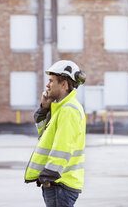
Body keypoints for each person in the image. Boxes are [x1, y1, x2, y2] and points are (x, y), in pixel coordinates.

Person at [25, 60, 86, 207]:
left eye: (51, 81)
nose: (47, 85)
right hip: (58, 184)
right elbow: (45, 138)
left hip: (59, 184)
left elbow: (63, 148)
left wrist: (47, 177)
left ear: (64, 84)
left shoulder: (68, 110)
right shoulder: (61, 108)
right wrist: (44, 110)